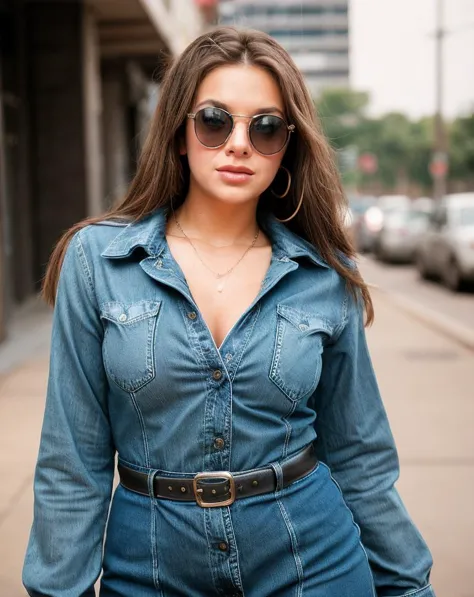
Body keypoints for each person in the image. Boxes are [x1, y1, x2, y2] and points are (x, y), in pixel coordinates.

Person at [23, 27, 435, 597]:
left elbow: (360, 456)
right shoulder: (98, 261)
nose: (239, 144)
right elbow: (72, 461)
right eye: (215, 121)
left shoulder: (325, 272)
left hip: (311, 562)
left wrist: (409, 586)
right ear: (180, 133)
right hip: (151, 567)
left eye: (265, 127)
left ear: (287, 145)